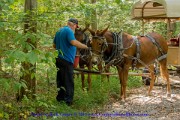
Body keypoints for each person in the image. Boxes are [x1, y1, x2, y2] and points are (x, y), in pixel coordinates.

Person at [53, 18, 88, 106]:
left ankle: (60, 99)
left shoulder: (59, 31)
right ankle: (68, 102)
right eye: (76, 26)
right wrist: (85, 46)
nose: (75, 28)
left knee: (60, 80)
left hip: (58, 59)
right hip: (66, 60)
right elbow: (73, 42)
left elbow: (54, 45)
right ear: (74, 25)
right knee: (69, 81)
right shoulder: (69, 31)